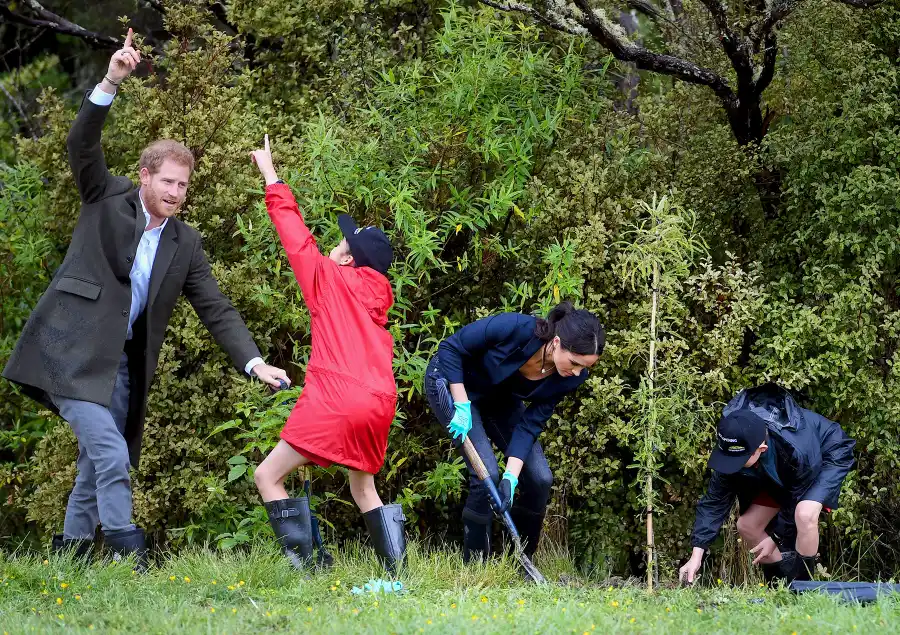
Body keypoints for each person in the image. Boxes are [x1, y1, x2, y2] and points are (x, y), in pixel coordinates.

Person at [1, 30, 290, 568]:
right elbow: (81, 144)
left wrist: (254, 362)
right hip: (70, 352)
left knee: (93, 467)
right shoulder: (104, 196)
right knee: (110, 454)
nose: (177, 193)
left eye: (184, 186)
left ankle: (71, 567)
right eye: (169, 182)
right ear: (145, 176)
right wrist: (111, 80)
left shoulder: (186, 242)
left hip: (120, 368)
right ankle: (129, 559)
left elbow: (215, 308)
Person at [247, 135, 405, 572]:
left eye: (340, 244)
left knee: (267, 475)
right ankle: (396, 575)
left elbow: (296, 239)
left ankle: (309, 572)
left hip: (336, 399)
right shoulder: (378, 304)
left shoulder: (329, 280)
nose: (333, 247)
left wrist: (270, 175)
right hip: (378, 405)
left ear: (349, 260)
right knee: (364, 489)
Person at [424, 303, 604, 563]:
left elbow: (531, 423)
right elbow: (451, 348)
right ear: (556, 342)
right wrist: (461, 404)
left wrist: (511, 477)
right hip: (452, 383)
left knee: (540, 479)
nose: (576, 372)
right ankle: (476, 567)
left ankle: (520, 562)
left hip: (498, 399)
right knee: (486, 473)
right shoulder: (516, 328)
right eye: (574, 362)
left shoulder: (571, 377)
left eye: (584, 367)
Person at [678, 383, 856, 585]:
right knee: (747, 526)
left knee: (805, 514)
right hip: (780, 474)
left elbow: (796, 494)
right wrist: (696, 555)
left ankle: (805, 589)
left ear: (761, 449)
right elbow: (714, 502)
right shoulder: (736, 438)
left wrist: (776, 537)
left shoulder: (798, 448)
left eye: (738, 460)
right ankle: (780, 587)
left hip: (826, 456)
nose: (732, 466)